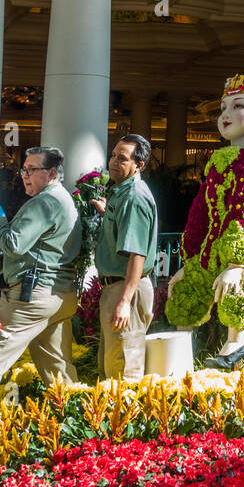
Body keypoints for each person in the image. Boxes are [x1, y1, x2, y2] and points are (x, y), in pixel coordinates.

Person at [164, 72, 244, 370]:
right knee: (186, 295)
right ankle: (180, 356)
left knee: (240, 286)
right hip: (209, 250)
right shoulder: (219, 162)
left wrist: (236, 263)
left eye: (238, 106)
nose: (227, 115)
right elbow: (200, 212)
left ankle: (236, 344)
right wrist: (190, 259)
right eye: (224, 108)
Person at [0, 147, 82, 418]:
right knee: (57, 368)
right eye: (23, 170)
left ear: (50, 174)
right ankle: (76, 422)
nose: (24, 175)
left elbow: (14, 244)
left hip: (30, 297)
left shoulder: (44, 202)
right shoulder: (63, 199)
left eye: (31, 170)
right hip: (59, 296)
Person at [92, 134, 158, 381]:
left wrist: (124, 301)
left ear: (139, 165)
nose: (113, 162)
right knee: (110, 368)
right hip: (116, 287)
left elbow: (137, 254)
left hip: (125, 288)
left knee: (123, 374)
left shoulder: (134, 197)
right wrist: (106, 211)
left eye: (122, 158)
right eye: (113, 155)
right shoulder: (121, 191)